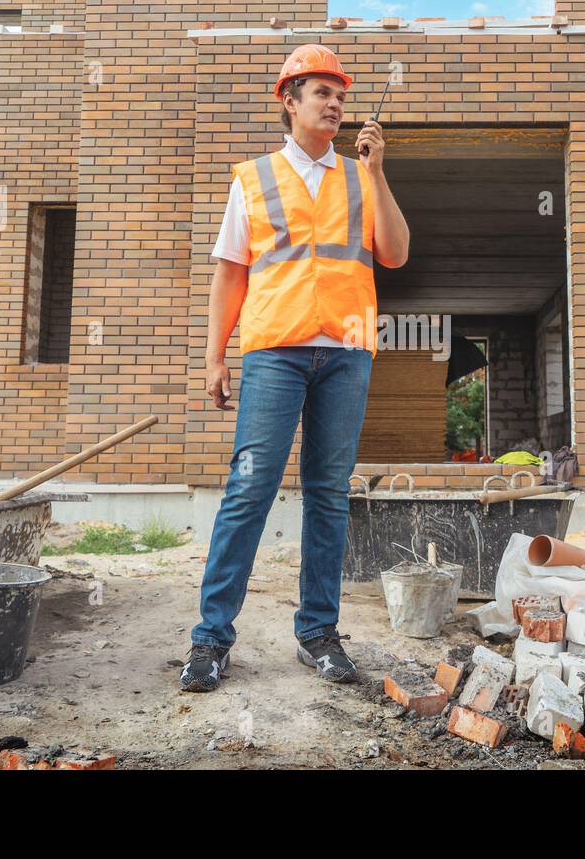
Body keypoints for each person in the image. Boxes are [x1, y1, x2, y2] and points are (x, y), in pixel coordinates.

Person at [180, 44, 410, 692]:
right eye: (322, 94)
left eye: (341, 96)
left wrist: (380, 172)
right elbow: (230, 273)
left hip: (346, 353)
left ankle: (318, 634)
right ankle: (210, 640)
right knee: (249, 490)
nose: (336, 105)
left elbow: (394, 254)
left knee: (329, 495)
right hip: (274, 352)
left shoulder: (362, 177)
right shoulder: (252, 179)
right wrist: (213, 356)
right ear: (290, 101)